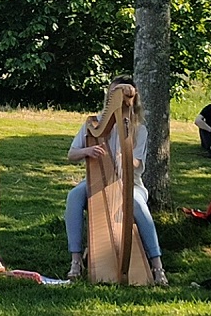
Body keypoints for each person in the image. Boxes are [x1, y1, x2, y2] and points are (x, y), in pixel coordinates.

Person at [64, 76, 167, 286]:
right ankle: (76, 261)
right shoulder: (93, 125)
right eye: (113, 95)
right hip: (98, 181)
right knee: (74, 196)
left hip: (132, 183)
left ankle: (157, 266)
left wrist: (127, 158)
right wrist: (87, 150)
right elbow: (71, 154)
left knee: (137, 203)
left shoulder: (140, 130)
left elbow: (138, 164)